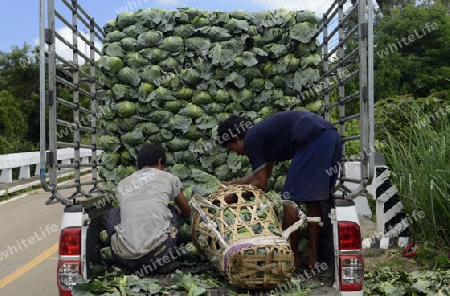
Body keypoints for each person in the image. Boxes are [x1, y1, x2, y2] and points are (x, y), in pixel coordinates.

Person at [216, 110, 342, 269]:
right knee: (313, 199)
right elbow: (263, 175)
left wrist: (235, 196)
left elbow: (261, 184)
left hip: (312, 139)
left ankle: (294, 258)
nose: (238, 154)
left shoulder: (251, 140)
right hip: (330, 136)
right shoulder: (262, 134)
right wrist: (231, 184)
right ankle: (312, 257)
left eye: (233, 149)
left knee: (289, 198)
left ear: (236, 139)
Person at [105, 143, 191, 276]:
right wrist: (177, 212)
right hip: (157, 254)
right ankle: (163, 261)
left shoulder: (123, 183)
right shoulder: (169, 178)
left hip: (122, 255)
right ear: (160, 161)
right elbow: (186, 210)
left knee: (114, 213)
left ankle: (126, 263)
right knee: (172, 209)